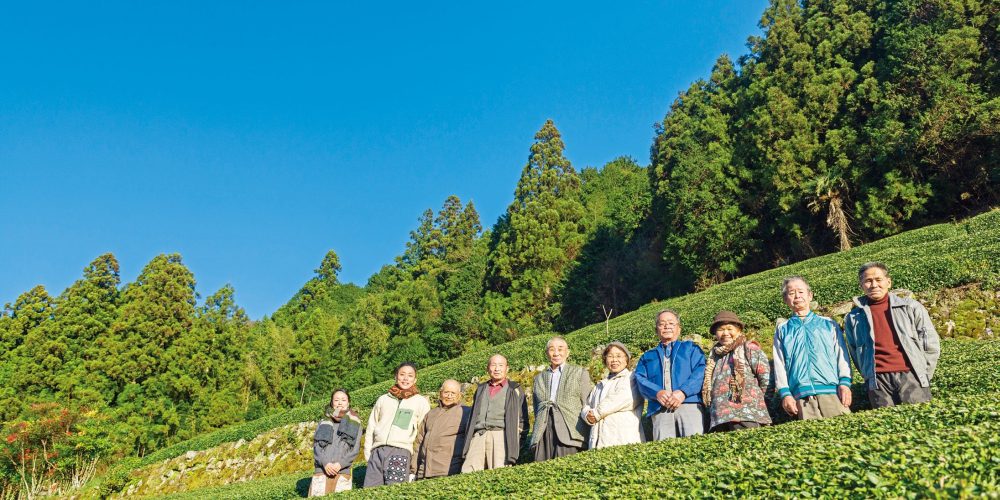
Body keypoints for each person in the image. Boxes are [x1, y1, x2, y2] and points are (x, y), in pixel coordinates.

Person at [843, 262, 941, 408]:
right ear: (861, 286)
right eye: (868, 281)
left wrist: (923, 372)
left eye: (878, 279)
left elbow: (929, 342)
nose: (874, 285)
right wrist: (868, 376)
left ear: (888, 282)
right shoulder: (853, 317)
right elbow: (854, 351)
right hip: (877, 381)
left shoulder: (910, 307)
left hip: (911, 375)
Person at [773, 276, 853, 420]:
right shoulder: (782, 329)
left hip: (832, 391)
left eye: (801, 292)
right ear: (785, 300)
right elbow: (779, 363)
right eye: (791, 293)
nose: (797, 296)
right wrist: (785, 393)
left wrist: (845, 383)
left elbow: (842, 355)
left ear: (810, 295)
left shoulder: (828, 323)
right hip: (801, 396)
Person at [634, 309, 707, 440]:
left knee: (695, 445)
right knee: (664, 450)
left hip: (689, 404)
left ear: (679, 328)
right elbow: (640, 379)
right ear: (657, 330)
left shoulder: (691, 349)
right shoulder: (647, 356)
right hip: (660, 408)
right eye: (662, 323)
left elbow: (700, 371)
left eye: (671, 323)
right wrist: (657, 392)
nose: (666, 326)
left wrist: (683, 392)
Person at [363, 362, 431, 488]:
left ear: (415, 379)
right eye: (402, 374)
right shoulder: (383, 399)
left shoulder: (420, 402)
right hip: (377, 451)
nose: (405, 378)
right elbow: (371, 426)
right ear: (396, 376)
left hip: (401, 452)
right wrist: (368, 453)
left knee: (394, 491)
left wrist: (416, 462)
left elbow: (423, 433)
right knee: (370, 491)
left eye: (410, 375)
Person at [701, 311, 771, 432]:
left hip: (747, 415)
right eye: (721, 329)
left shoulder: (748, 348)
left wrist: (758, 401)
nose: (725, 333)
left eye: (730, 328)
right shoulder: (714, 356)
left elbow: (766, 378)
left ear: (738, 330)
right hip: (719, 417)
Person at [461, 354, 529, 472]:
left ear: (507, 368)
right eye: (493, 365)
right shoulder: (481, 388)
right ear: (488, 368)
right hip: (478, 435)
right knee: (467, 472)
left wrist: (515, 444)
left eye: (501, 365)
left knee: (500, 474)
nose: (497, 369)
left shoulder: (515, 389)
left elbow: (523, 419)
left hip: (501, 437)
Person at [530, 337, 593, 461]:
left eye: (560, 349)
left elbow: (587, 402)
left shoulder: (579, 372)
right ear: (546, 353)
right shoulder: (539, 378)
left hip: (570, 431)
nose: (556, 353)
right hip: (543, 430)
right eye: (552, 349)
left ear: (567, 352)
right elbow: (537, 407)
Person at [581, 342, 643, 448]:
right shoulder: (600, 385)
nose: (614, 360)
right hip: (598, 440)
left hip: (623, 438)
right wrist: (586, 414)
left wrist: (596, 413)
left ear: (626, 359)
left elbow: (622, 398)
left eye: (619, 356)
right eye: (610, 356)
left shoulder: (632, 378)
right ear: (605, 360)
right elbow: (587, 404)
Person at [411, 380, 471, 480]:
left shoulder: (466, 412)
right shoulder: (431, 414)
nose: (449, 396)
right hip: (423, 471)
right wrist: (413, 470)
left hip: (448, 470)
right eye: (446, 392)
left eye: (453, 393)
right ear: (440, 393)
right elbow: (419, 442)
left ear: (459, 395)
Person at [310, 389, 363, 496]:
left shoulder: (355, 422)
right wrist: (325, 463)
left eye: (343, 400)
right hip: (322, 471)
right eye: (336, 400)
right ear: (332, 402)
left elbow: (355, 449)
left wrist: (340, 464)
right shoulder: (323, 421)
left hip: (343, 472)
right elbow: (316, 446)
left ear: (348, 403)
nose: (340, 403)